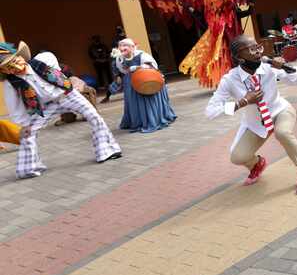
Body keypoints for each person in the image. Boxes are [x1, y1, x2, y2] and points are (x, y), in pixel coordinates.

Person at [205, 34, 297, 192]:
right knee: (237, 157)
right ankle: (257, 164)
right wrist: (241, 102)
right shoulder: (230, 80)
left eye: (258, 47)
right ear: (240, 57)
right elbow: (210, 112)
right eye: (252, 49)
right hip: (256, 123)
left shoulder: (269, 67)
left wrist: (285, 67)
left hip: (280, 111)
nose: (258, 52)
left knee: (282, 133)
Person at [0, 41, 121, 179]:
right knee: (27, 134)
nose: (13, 67)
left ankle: (107, 151)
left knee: (94, 116)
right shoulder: (11, 83)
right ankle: (29, 168)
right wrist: (25, 124)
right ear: (3, 71)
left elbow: (58, 71)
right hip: (45, 107)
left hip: (66, 95)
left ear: (20, 57)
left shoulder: (42, 60)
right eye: (6, 66)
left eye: (13, 60)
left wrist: (66, 81)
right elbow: (15, 106)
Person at [116, 38, 177, 133]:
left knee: (147, 98)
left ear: (132, 47)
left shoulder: (142, 55)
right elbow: (123, 70)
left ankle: (153, 119)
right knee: (134, 101)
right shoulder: (120, 58)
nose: (122, 48)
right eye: (121, 46)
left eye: (125, 45)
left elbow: (151, 66)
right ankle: (139, 121)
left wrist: (136, 67)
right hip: (131, 81)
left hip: (146, 78)